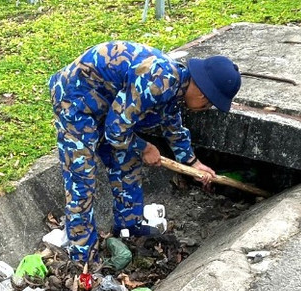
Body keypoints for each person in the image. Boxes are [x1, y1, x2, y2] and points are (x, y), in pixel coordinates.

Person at [48, 41, 241, 264]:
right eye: (209, 104)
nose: (205, 108)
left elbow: (173, 126)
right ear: (204, 95)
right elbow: (116, 131)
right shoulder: (158, 80)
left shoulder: (178, 84)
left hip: (108, 105)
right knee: (81, 177)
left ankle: (128, 227)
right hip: (74, 100)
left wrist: (192, 162)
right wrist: (144, 147)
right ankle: (82, 256)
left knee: (126, 160)